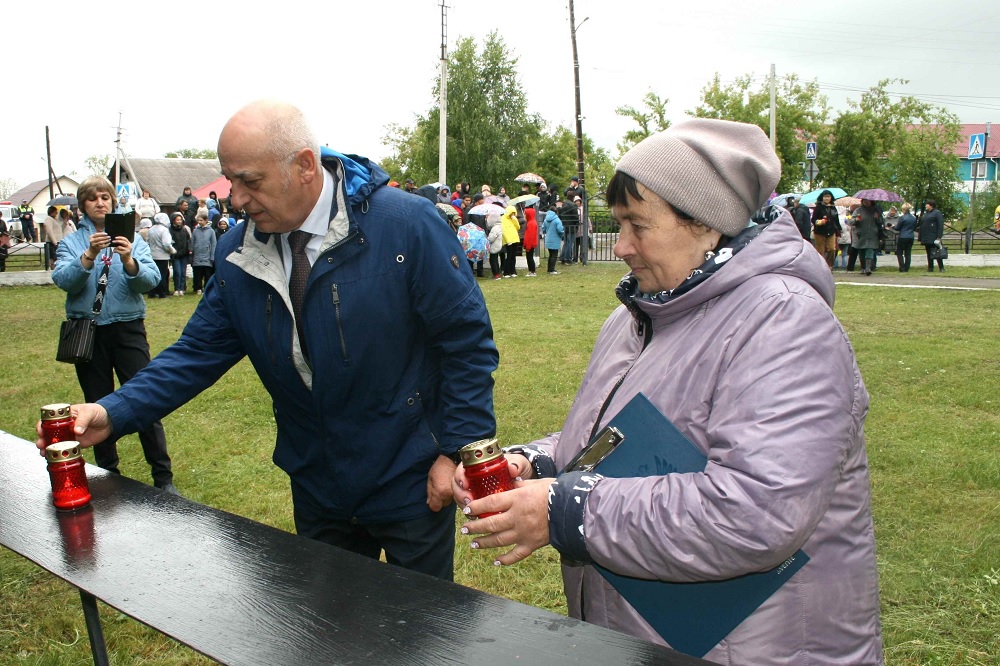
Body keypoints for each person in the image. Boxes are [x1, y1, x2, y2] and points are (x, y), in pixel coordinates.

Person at [453, 119, 882, 664]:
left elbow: (757, 512)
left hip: (756, 647)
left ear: (708, 224)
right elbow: (614, 438)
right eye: (618, 224)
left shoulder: (783, 321)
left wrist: (567, 509)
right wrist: (535, 465)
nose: (623, 245)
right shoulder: (639, 314)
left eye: (638, 225)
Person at [42, 100, 498, 582]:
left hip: (411, 478)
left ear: (304, 166)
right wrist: (112, 412)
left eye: (250, 181)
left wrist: (454, 451)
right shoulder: (238, 249)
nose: (235, 198)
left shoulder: (407, 227)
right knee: (329, 633)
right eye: (229, 180)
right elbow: (197, 352)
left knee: (422, 635)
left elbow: (466, 346)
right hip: (317, 485)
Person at [51, 176, 177, 494]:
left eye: (105, 197)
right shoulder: (72, 243)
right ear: (82, 206)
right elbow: (64, 280)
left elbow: (150, 279)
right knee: (99, 403)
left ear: (113, 201)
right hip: (88, 333)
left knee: (146, 398)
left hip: (128, 328)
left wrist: (129, 259)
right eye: (92, 198)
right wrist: (88, 256)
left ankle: (163, 477)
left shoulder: (133, 239)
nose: (100, 202)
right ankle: (108, 473)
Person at [146, 212, 175, 298]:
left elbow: (148, 241)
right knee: (162, 274)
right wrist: (172, 251)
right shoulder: (164, 230)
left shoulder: (151, 229)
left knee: (153, 274)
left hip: (152, 255)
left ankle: (152, 292)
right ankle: (162, 293)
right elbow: (166, 244)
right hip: (162, 256)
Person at [851, 199, 883, 276]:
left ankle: (868, 268)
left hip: (872, 234)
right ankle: (863, 267)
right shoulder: (858, 210)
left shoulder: (876, 210)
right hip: (860, 234)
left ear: (871, 201)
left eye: (868, 201)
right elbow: (851, 221)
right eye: (865, 201)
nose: (866, 202)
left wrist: (877, 218)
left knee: (870, 250)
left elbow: (881, 222)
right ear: (862, 201)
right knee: (861, 251)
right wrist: (856, 220)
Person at [809, 190, 841, 268]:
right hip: (820, 232)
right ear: (822, 197)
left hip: (831, 231)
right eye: (825, 197)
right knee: (820, 250)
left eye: (828, 196)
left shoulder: (833, 207)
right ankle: (820, 267)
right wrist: (819, 222)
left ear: (831, 198)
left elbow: (836, 220)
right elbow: (813, 220)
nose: (827, 198)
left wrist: (839, 230)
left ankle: (829, 265)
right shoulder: (818, 207)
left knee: (832, 249)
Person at [191, 210, 217, 294]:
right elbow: (192, 242)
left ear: (206, 220)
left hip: (207, 256)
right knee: (197, 274)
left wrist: (212, 256)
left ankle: (207, 289)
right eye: (198, 220)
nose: (199, 222)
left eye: (201, 220)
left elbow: (213, 244)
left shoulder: (211, 231)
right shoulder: (195, 231)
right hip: (197, 256)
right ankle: (198, 288)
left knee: (207, 274)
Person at [168, 212, 192, 295]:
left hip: (184, 254)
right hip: (175, 255)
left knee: (183, 272)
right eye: (177, 220)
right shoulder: (170, 230)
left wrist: (187, 250)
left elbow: (188, 241)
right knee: (177, 272)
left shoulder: (184, 229)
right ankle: (177, 288)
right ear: (173, 221)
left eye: (180, 220)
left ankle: (182, 288)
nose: (179, 221)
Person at [918, 199, 945, 272]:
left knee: (937, 252)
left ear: (931, 205)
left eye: (927, 204)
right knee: (929, 253)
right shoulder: (926, 214)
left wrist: (939, 237)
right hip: (926, 237)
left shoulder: (937, 213)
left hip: (934, 237)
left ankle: (941, 267)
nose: (926, 206)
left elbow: (940, 225)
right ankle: (930, 267)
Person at [890, 203, 917, 272]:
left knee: (899, 252)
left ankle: (902, 267)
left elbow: (898, 228)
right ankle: (907, 268)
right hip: (911, 236)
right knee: (908, 253)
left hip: (903, 236)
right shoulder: (913, 218)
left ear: (904, 209)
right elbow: (914, 228)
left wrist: (893, 226)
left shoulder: (902, 218)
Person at [541, 204, 564, 275]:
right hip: (555, 239)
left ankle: (549, 269)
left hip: (548, 239)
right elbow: (560, 230)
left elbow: (543, 228)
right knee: (554, 255)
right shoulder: (557, 220)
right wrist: (561, 235)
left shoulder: (546, 219)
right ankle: (552, 270)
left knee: (550, 255)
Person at [500, 205, 520, 278]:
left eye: (514, 213)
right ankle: (506, 272)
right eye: (512, 213)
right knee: (509, 256)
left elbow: (518, 227)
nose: (513, 214)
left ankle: (513, 271)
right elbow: (503, 230)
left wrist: (515, 219)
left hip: (514, 238)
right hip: (508, 240)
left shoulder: (513, 219)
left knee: (513, 256)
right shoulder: (503, 219)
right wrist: (508, 241)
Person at [522, 204, 538, 276]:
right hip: (530, 244)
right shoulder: (531, 222)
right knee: (529, 257)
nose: (524, 216)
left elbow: (530, 236)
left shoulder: (531, 223)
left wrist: (528, 246)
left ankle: (532, 271)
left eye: (525, 215)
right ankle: (531, 270)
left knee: (530, 257)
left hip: (530, 244)